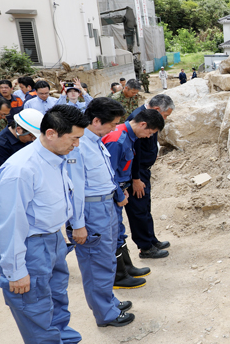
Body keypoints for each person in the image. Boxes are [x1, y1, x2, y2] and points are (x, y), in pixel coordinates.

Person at [0, 105, 99, 344]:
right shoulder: (21, 169)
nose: (77, 145)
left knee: (55, 302)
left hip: (51, 240)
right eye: (73, 139)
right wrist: (15, 270)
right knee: (35, 309)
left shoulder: (57, 157)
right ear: (51, 133)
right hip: (29, 248)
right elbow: (10, 225)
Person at [67, 97, 137, 326]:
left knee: (106, 259)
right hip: (90, 209)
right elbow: (74, 189)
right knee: (94, 262)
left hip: (105, 205)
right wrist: (78, 224)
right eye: (112, 123)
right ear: (96, 121)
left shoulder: (95, 141)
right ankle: (105, 314)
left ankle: (108, 301)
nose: (115, 128)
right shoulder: (78, 146)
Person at [102, 109, 165, 289]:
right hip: (112, 194)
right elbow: (108, 174)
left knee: (119, 231)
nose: (148, 137)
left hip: (120, 190)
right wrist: (120, 194)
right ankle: (118, 276)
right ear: (143, 124)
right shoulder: (117, 139)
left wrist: (125, 187)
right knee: (113, 233)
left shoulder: (128, 137)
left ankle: (126, 268)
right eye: (149, 133)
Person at [125, 95, 174, 260]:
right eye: (165, 115)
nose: (165, 118)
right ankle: (145, 247)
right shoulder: (137, 119)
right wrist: (136, 178)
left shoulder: (148, 118)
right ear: (157, 109)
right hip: (136, 173)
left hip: (143, 171)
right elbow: (133, 154)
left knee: (145, 208)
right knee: (138, 210)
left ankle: (151, 239)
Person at [0, 109, 43, 200]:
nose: (32, 140)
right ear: (19, 130)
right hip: (7, 190)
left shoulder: (24, 139)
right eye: (31, 136)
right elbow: (7, 175)